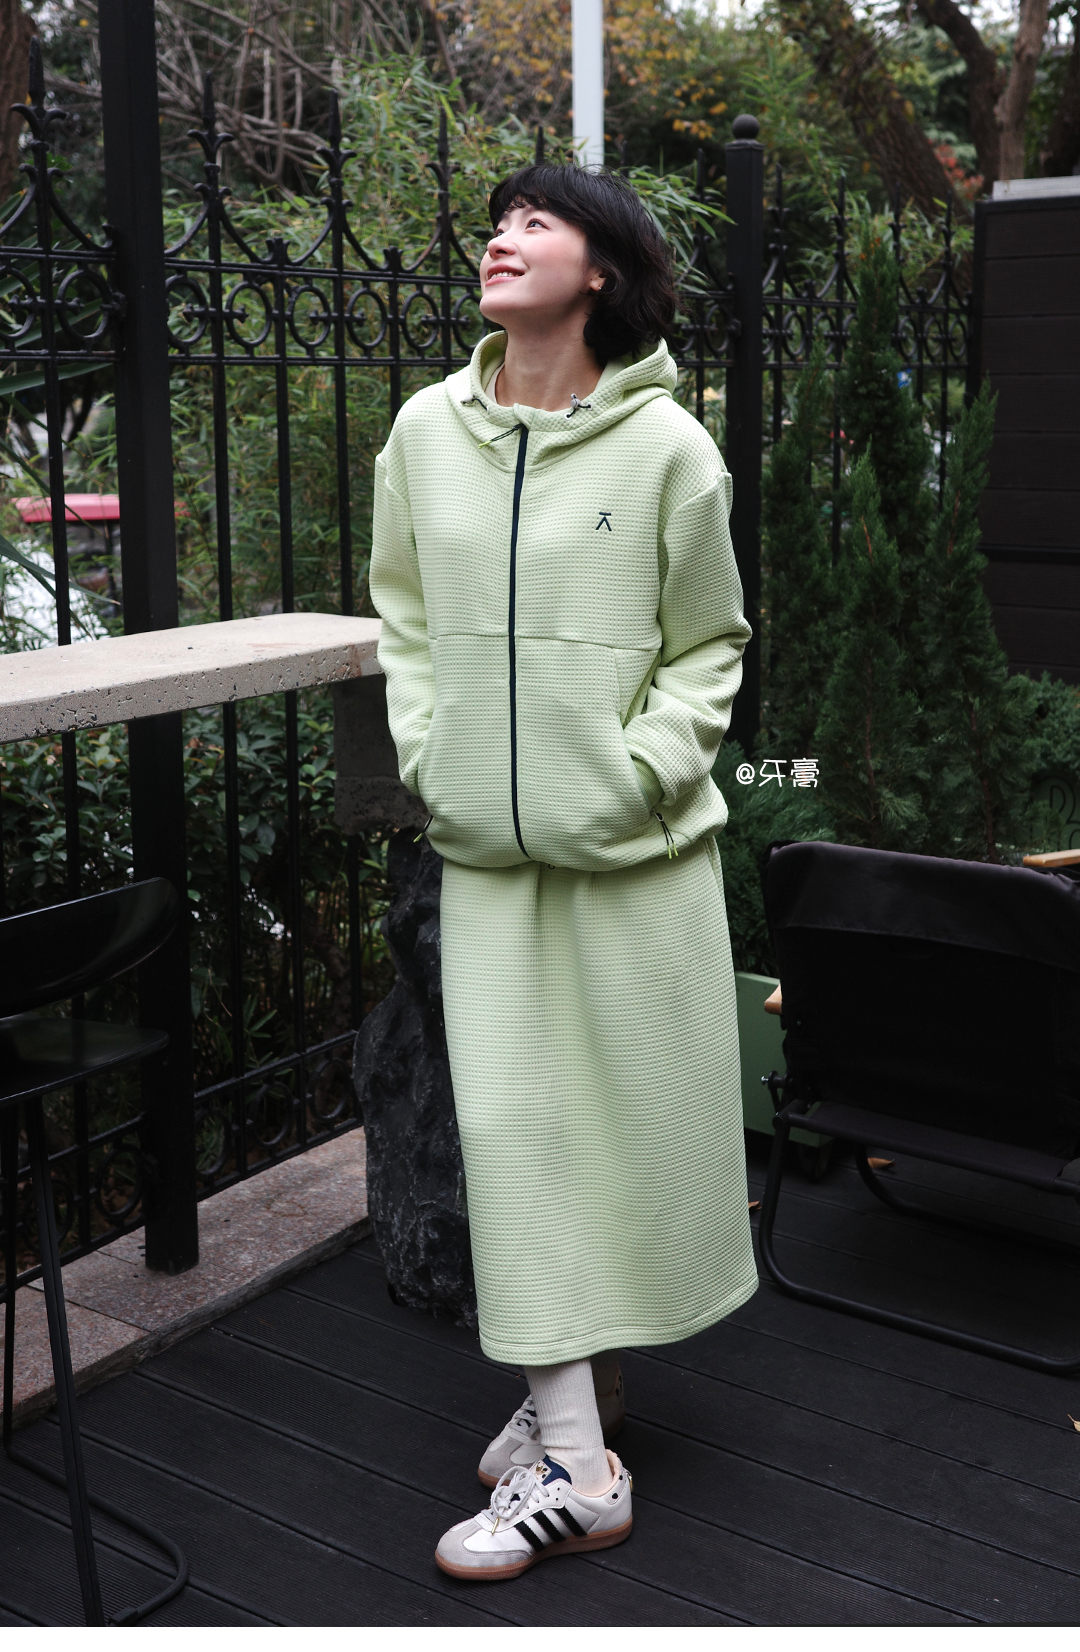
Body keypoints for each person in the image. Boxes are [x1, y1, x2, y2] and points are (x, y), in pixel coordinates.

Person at [369, 162, 756, 1583]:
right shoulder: (426, 432)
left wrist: (638, 772)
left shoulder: (672, 451)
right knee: (520, 1135)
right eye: (499, 220)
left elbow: (710, 644)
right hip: (485, 856)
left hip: (635, 859)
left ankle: (572, 1414)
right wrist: (436, 754)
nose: (501, 237)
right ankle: (582, 1464)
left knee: (619, 1129)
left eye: (537, 221)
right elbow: (404, 618)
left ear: (602, 269)